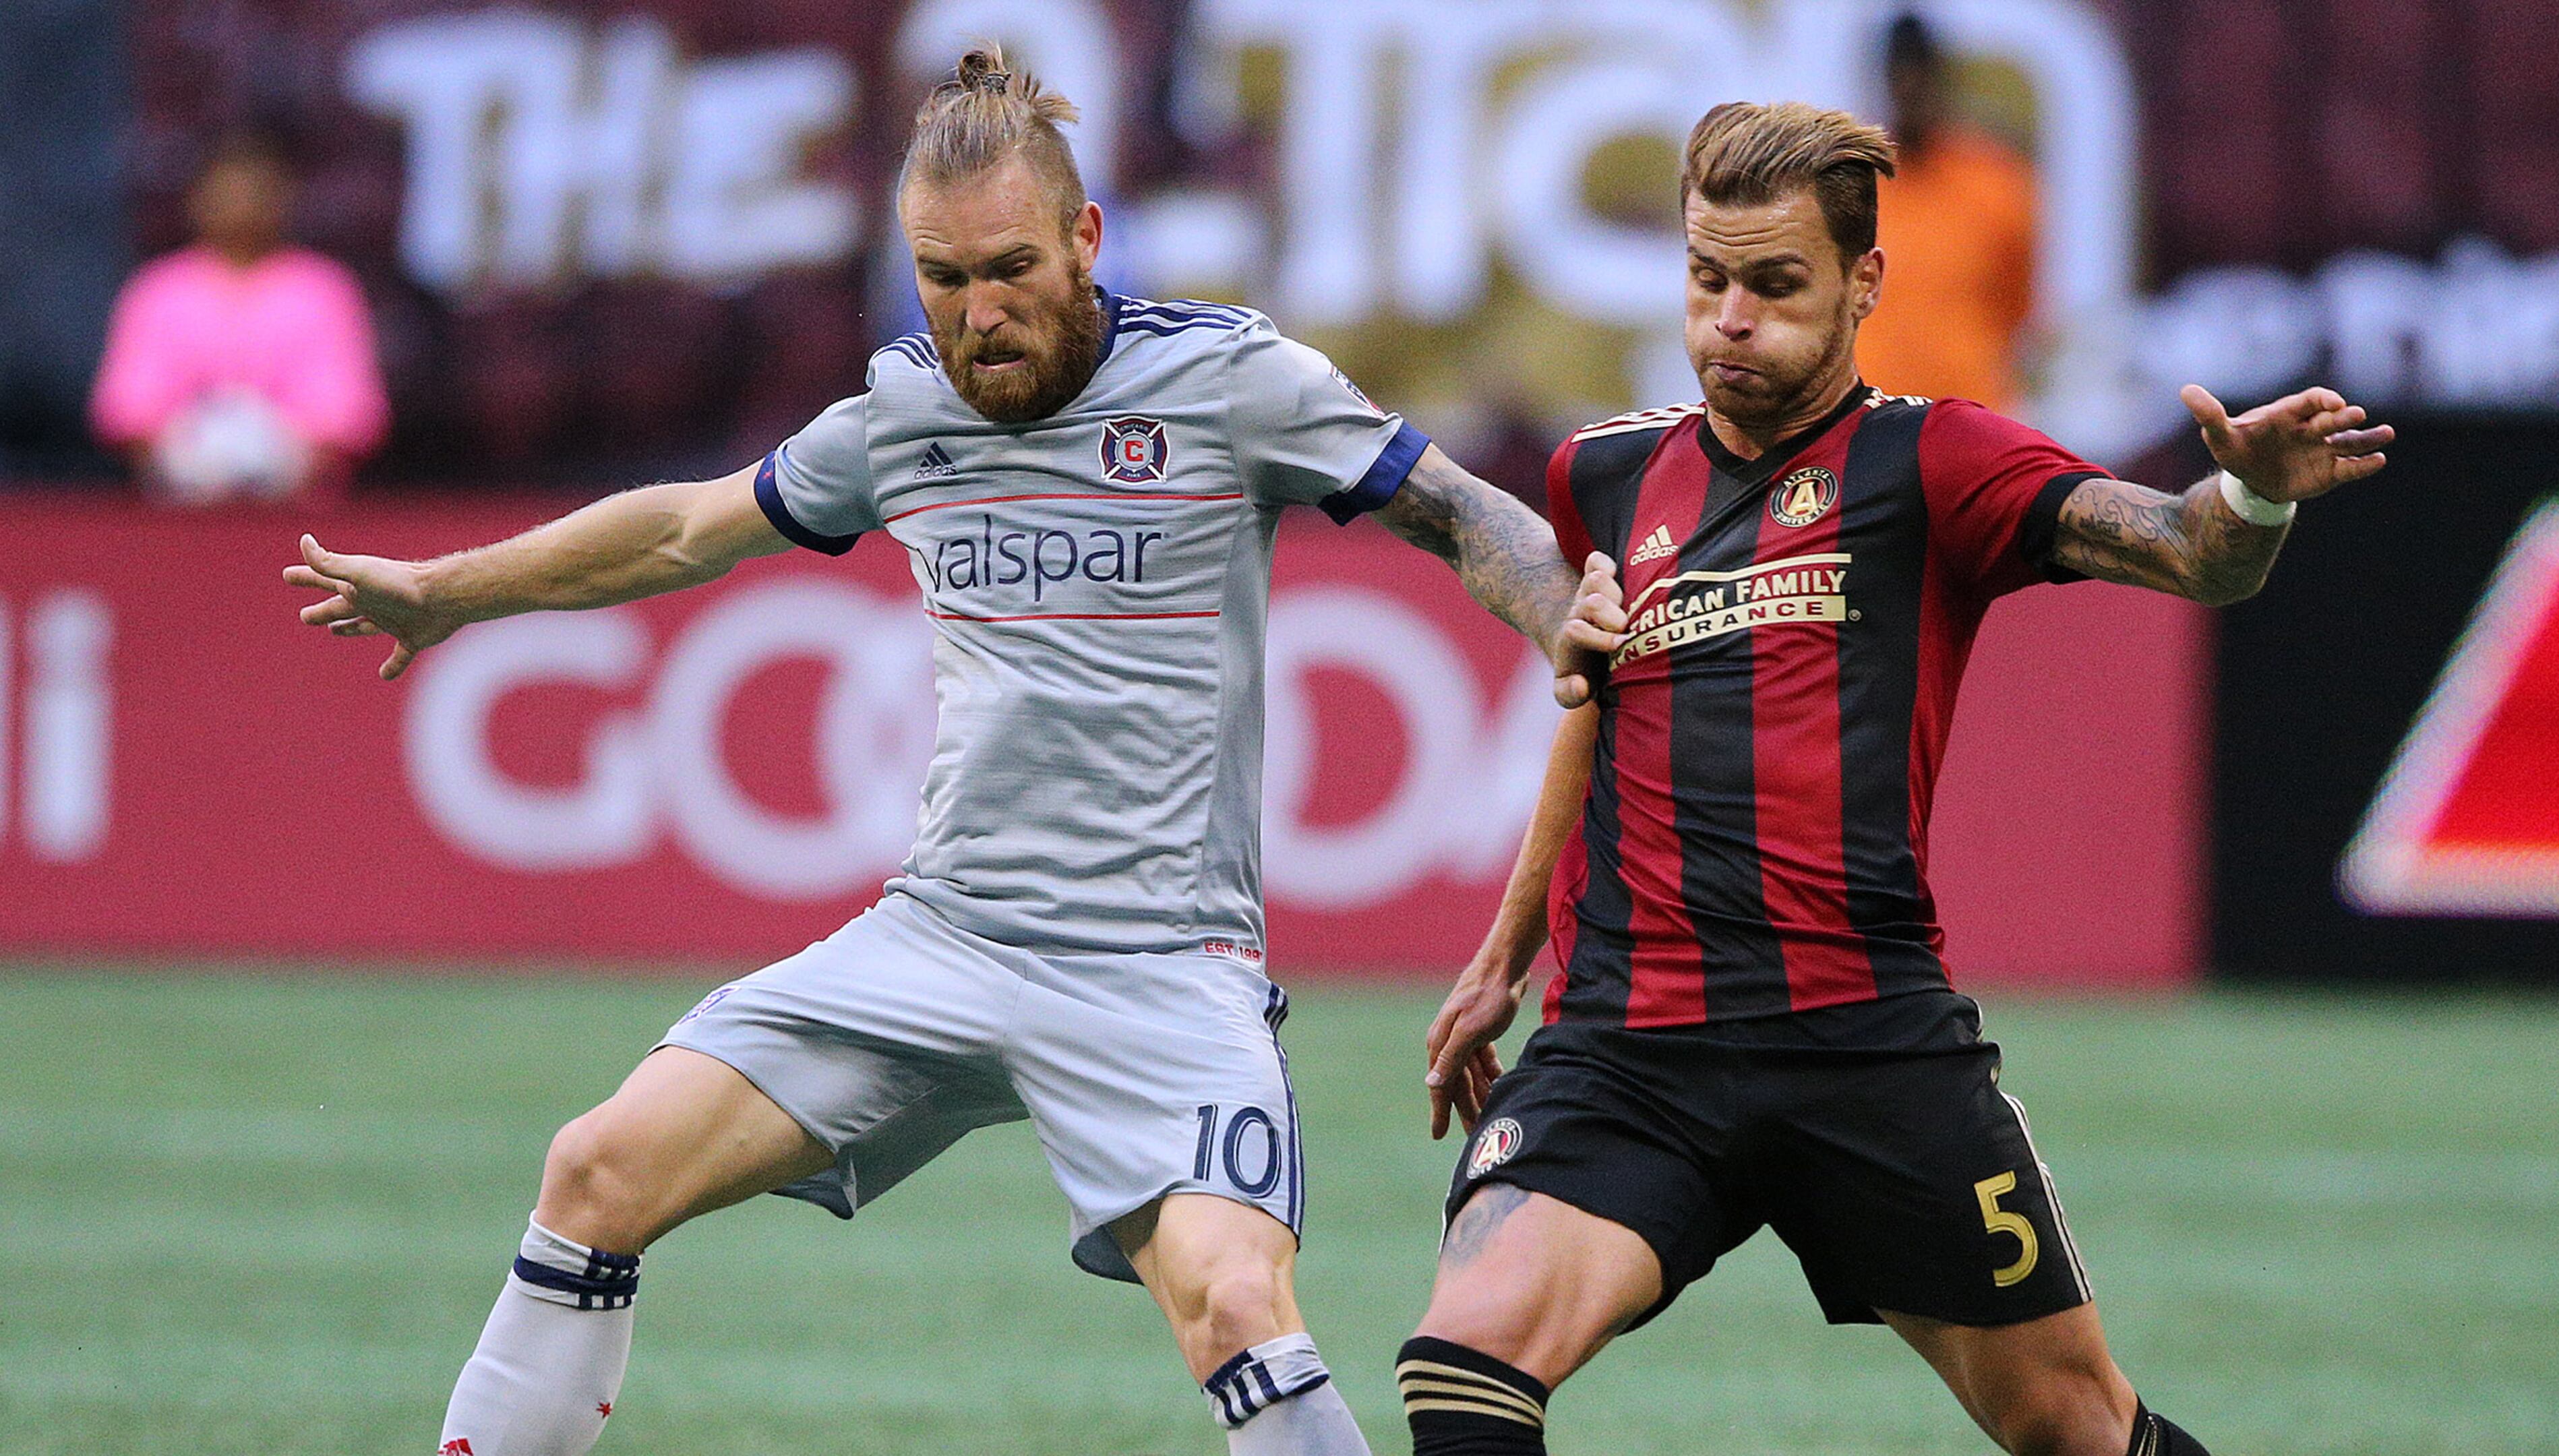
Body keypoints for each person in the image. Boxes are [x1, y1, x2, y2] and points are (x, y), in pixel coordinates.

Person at [286, 49, 1591, 1456]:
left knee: (1231, 1303)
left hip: (1162, 971)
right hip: (944, 936)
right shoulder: (907, 414)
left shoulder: (1230, 383)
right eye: (942, 278)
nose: (981, 314)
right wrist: (450, 592)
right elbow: (680, 530)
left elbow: (1465, 515)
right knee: (596, 1169)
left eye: (1012, 267)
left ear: (1088, 239)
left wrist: (1566, 611)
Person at [1397, 101, 2392, 1456]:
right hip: (1632, 1048)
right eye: (1708, 280)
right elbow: (1594, 700)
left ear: (1866, 282)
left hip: (1867, 1049)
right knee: (1461, 1367)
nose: (1732, 318)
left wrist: (2255, 499)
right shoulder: (1608, 477)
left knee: (2078, 1429)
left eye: (1775, 284)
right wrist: (1504, 952)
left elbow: (2183, 549)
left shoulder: (1937, 460)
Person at [91, 129, 389, 504]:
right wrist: (192, 461)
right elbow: (129, 413)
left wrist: (277, 461)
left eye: (257, 193)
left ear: (284, 200)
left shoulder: (324, 289)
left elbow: (345, 417)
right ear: (196, 200)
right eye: (228, 193)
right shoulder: (157, 289)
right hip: (176, 510)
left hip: (301, 512)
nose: (242, 206)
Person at [1850, 13, 2037, 414]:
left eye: (1920, 78)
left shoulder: (1996, 180)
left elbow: (2019, 307)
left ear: (1942, 81)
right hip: (1873, 421)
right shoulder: (1856, 180)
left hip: (1972, 417)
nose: (1911, 92)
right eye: (1900, 79)